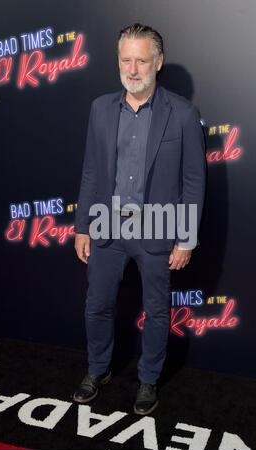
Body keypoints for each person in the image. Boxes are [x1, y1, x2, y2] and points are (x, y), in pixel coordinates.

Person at [73, 23, 206, 415]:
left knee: (157, 310)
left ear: (158, 62)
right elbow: (91, 172)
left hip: (158, 229)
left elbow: (194, 181)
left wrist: (186, 238)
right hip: (105, 227)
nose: (133, 69)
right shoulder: (100, 108)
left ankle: (148, 380)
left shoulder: (182, 114)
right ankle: (98, 369)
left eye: (142, 60)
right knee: (96, 305)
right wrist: (82, 225)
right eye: (126, 60)